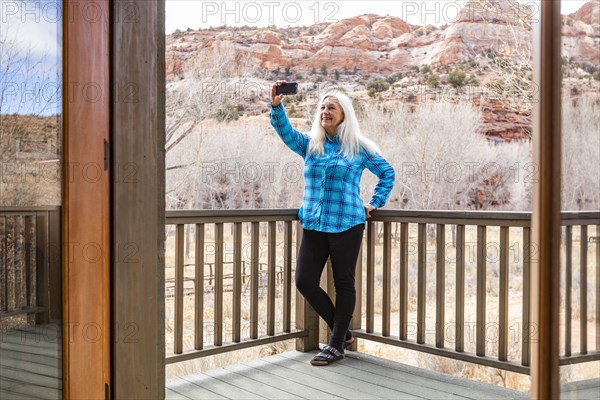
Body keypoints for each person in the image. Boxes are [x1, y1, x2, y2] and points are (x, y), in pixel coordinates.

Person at [269, 80, 395, 366]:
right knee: (304, 281)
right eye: (322, 107)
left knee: (343, 283)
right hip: (314, 223)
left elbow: (387, 173)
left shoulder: (359, 148)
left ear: (344, 115)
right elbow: (285, 133)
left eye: (332, 108)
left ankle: (336, 344)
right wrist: (276, 106)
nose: (325, 111)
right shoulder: (311, 145)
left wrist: (375, 202)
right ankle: (343, 333)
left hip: (348, 222)